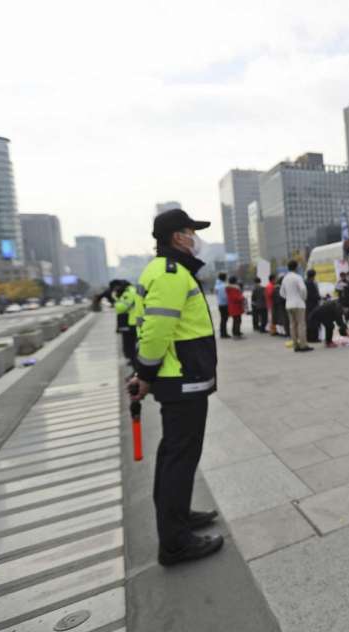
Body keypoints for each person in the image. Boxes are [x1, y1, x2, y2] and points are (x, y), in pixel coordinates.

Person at [129, 208, 222, 566]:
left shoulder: (166, 270)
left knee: (177, 457)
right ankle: (175, 543)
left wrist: (145, 374)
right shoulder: (169, 274)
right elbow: (155, 333)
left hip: (180, 381)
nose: (194, 237)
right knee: (178, 460)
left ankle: (178, 519)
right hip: (181, 382)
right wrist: (146, 375)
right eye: (189, 231)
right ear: (176, 237)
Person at [279, 260, 311, 352]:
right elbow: (303, 289)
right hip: (299, 304)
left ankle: (296, 346)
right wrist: (303, 298)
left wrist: (288, 298)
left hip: (289, 305)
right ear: (296, 267)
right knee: (301, 325)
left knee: (292, 325)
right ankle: (303, 345)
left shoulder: (285, 278)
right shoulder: (298, 277)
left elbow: (281, 293)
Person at [114, 280, 139, 369]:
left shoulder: (129, 292)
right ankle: (134, 365)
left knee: (130, 347)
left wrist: (116, 299)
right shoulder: (131, 290)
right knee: (132, 347)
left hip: (131, 323)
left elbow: (121, 307)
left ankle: (135, 367)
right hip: (132, 322)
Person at [305, 269, 320, 343]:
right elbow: (315, 295)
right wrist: (320, 297)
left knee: (308, 321)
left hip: (306, 304)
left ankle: (308, 337)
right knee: (314, 321)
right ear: (314, 275)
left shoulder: (304, 282)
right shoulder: (311, 283)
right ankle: (314, 338)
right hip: (313, 305)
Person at [214, 272, 229, 339]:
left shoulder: (217, 285)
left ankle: (223, 332)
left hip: (220, 304)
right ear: (224, 278)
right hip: (224, 304)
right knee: (224, 319)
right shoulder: (223, 286)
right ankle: (223, 333)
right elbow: (224, 296)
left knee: (223, 319)